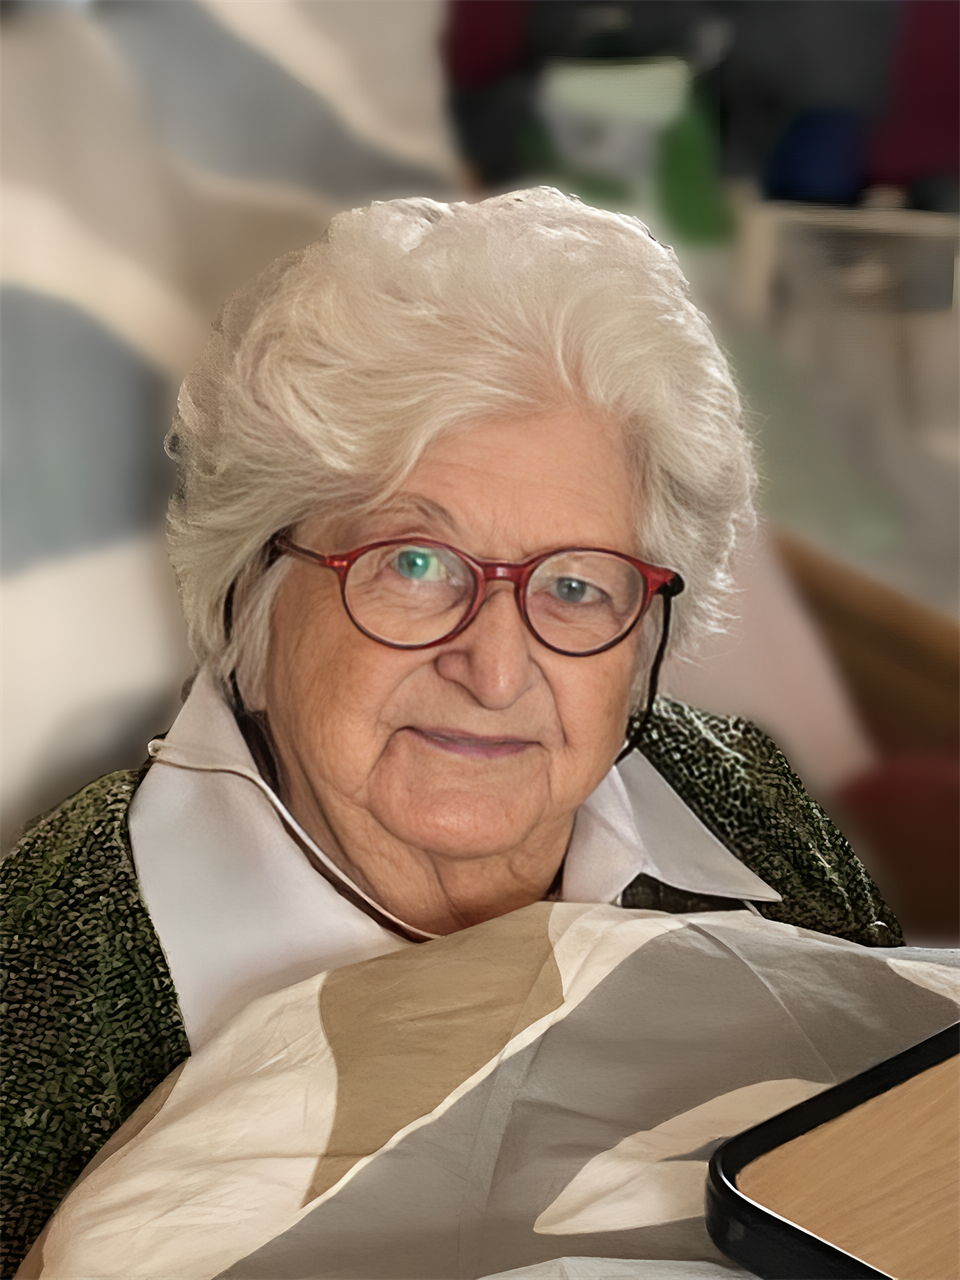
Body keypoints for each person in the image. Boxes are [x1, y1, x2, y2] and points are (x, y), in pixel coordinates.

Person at [0, 188, 901, 1271]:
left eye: (576, 584)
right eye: (416, 563)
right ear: (253, 588)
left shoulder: (743, 805)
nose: (497, 667)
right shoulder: (42, 987)